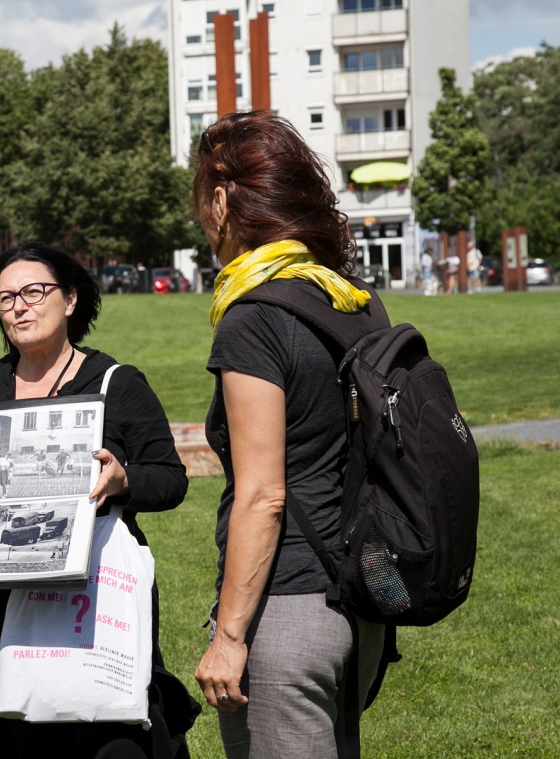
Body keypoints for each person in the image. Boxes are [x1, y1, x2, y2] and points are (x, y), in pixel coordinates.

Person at [0, 242, 196, 759]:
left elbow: (171, 478)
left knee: (105, 733)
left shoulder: (118, 383)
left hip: (94, 592)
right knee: (5, 733)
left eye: (33, 291)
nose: (19, 306)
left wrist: (122, 480)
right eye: (5, 299)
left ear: (70, 300)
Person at [191, 112, 386, 759]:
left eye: (200, 196)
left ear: (222, 201)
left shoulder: (253, 321)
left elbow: (262, 495)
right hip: (357, 603)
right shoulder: (350, 300)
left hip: (288, 614)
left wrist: (231, 636)